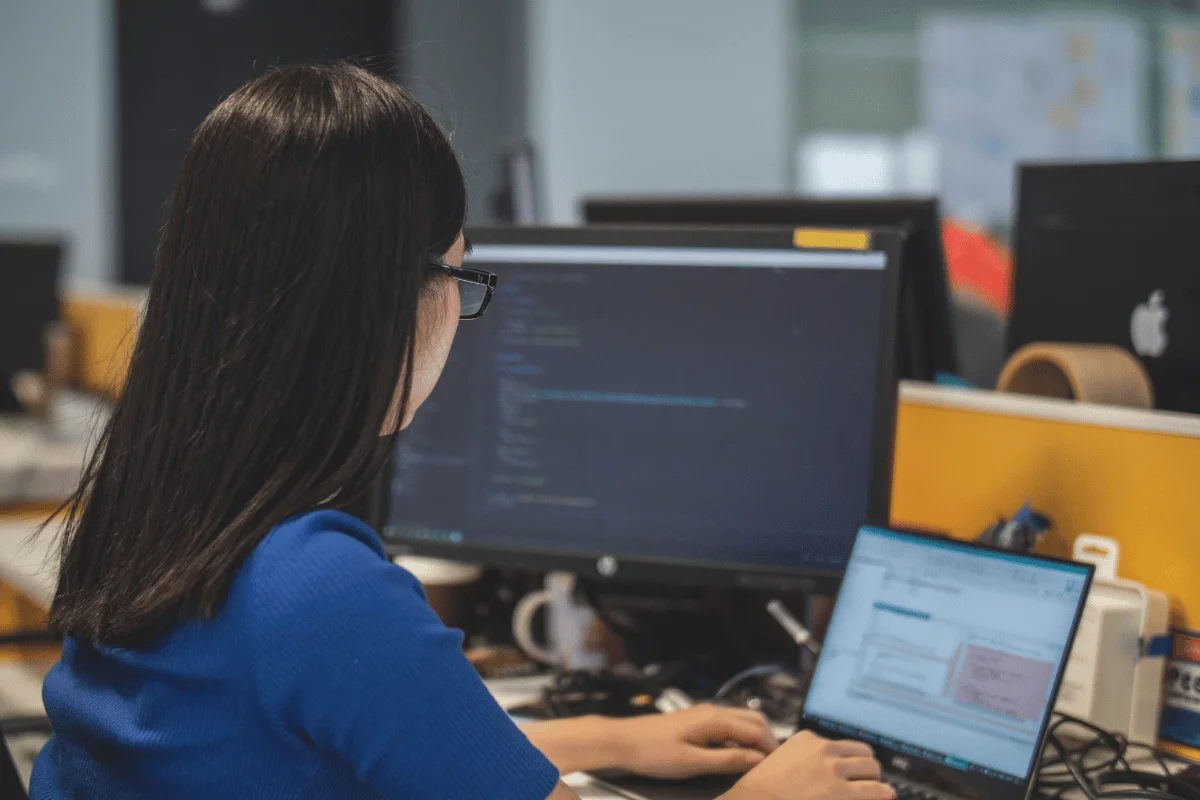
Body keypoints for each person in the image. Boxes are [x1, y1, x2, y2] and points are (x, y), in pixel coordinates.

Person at [30, 64, 898, 800]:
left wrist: (611, 739)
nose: (462, 308)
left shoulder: (152, 513)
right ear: (382, 298)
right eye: (460, 272)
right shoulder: (319, 587)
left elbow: (394, 748)